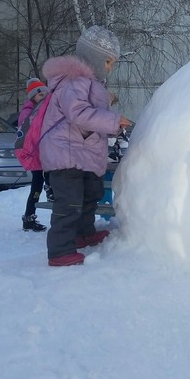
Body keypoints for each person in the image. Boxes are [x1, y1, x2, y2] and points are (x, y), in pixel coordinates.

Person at [39, 26, 133, 267]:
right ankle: (60, 250)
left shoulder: (90, 84)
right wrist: (113, 120)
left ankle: (83, 233)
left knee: (89, 195)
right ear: (95, 58)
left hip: (83, 154)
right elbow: (78, 113)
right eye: (109, 62)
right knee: (69, 203)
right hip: (66, 153)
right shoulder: (74, 81)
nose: (110, 68)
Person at [18, 78, 52, 233]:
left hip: (43, 152)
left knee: (41, 182)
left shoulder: (43, 109)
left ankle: (29, 216)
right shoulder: (28, 112)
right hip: (35, 154)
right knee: (37, 185)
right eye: (40, 95)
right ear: (32, 97)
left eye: (46, 93)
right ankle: (29, 217)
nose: (44, 97)